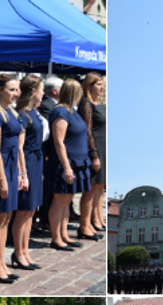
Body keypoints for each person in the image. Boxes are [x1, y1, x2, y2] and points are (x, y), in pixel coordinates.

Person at [0, 74, 25, 284]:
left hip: (12, 167)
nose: (15, 93)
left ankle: (1, 262)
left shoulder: (12, 111)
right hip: (2, 165)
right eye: (11, 89)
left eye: (16, 89)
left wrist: (20, 172)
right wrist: (1, 178)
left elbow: (18, 147)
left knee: (7, 217)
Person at [47, 79, 93, 251]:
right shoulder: (60, 112)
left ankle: (64, 234)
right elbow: (59, 142)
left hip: (78, 162)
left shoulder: (72, 111)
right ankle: (56, 238)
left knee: (67, 200)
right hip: (65, 163)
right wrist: (66, 166)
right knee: (59, 200)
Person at [13, 75, 45, 273]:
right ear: (33, 91)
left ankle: (25, 250)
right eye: (41, 89)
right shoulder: (23, 115)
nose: (43, 93)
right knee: (24, 210)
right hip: (28, 161)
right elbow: (19, 147)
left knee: (31, 210)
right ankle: (18, 252)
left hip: (37, 161)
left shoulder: (34, 112)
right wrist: (23, 172)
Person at [78, 73, 106, 239]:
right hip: (95, 149)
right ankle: (84, 225)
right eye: (98, 84)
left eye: (102, 84)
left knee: (98, 187)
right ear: (89, 86)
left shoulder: (99, 104)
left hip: (104, 147)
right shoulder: (86, 104)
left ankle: (94, 220)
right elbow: (87, 130)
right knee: (90, 188)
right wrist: (93, 153)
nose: (101, 87)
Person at [35, 77, 62, 231]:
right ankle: (43, 218)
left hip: (49, 153)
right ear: (55, 91)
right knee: (45, 191)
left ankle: (44, 218)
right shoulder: (47, 106)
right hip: (46, 153)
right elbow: (47, 134)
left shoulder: (52, 105)